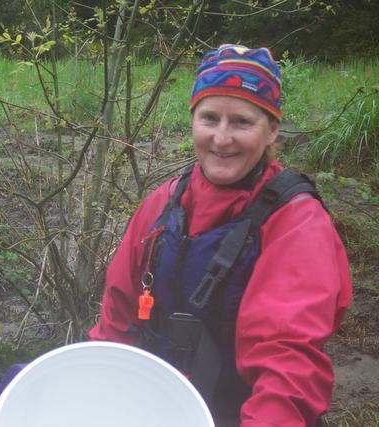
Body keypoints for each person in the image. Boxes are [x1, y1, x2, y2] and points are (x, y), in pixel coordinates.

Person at [89, 44, 352, 427]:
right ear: (193, 121)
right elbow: (117, 319)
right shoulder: (162, 204)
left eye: (242, 122)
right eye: (210, 118)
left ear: (272, 131)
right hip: (154, 404)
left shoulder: (296, 222)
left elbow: (288, 367)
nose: (222, 138)